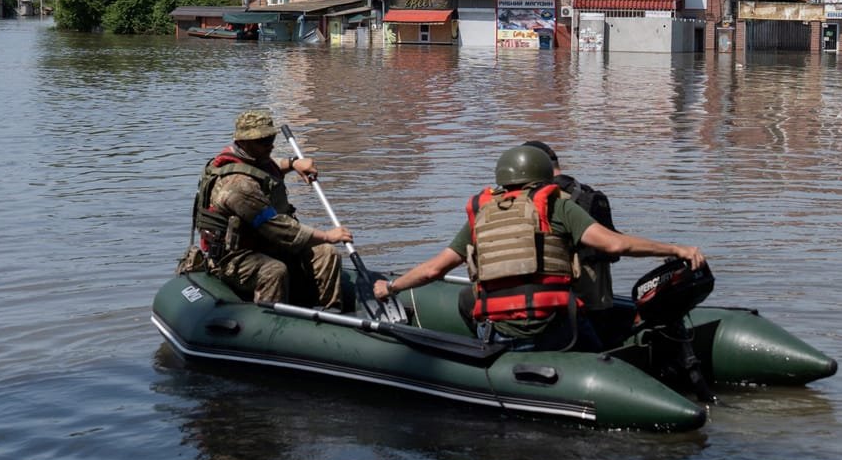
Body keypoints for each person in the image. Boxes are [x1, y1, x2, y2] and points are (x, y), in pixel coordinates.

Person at [373, 145, 705, 352]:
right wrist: (676, 249)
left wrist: (391, 286)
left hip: (503, 334)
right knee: (600, 346)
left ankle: (488, 355)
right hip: (555, 329)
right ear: (545, 176)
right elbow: (616, 243)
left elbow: (435, 269)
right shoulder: (557, 205)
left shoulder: (482, 212)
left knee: (468, 299)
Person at [193, 109, 353, 309]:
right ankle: (273, 325)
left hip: (265, 244)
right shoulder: (238, 186)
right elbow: (278, 228)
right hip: (233, 258)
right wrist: (328, 235)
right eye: (262, 141)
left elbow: (269, 167)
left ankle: (331, 314)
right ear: (244, 142)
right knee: (274, 270)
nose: (270, 145)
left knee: (327, 253)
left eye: (271, 138)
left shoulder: (253, 159)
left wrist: (294, 163)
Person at [520, 140, 625, 345]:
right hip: (602, 295)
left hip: (570, 297)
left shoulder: (549, 200)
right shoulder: (586, 192)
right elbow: (613, 244)